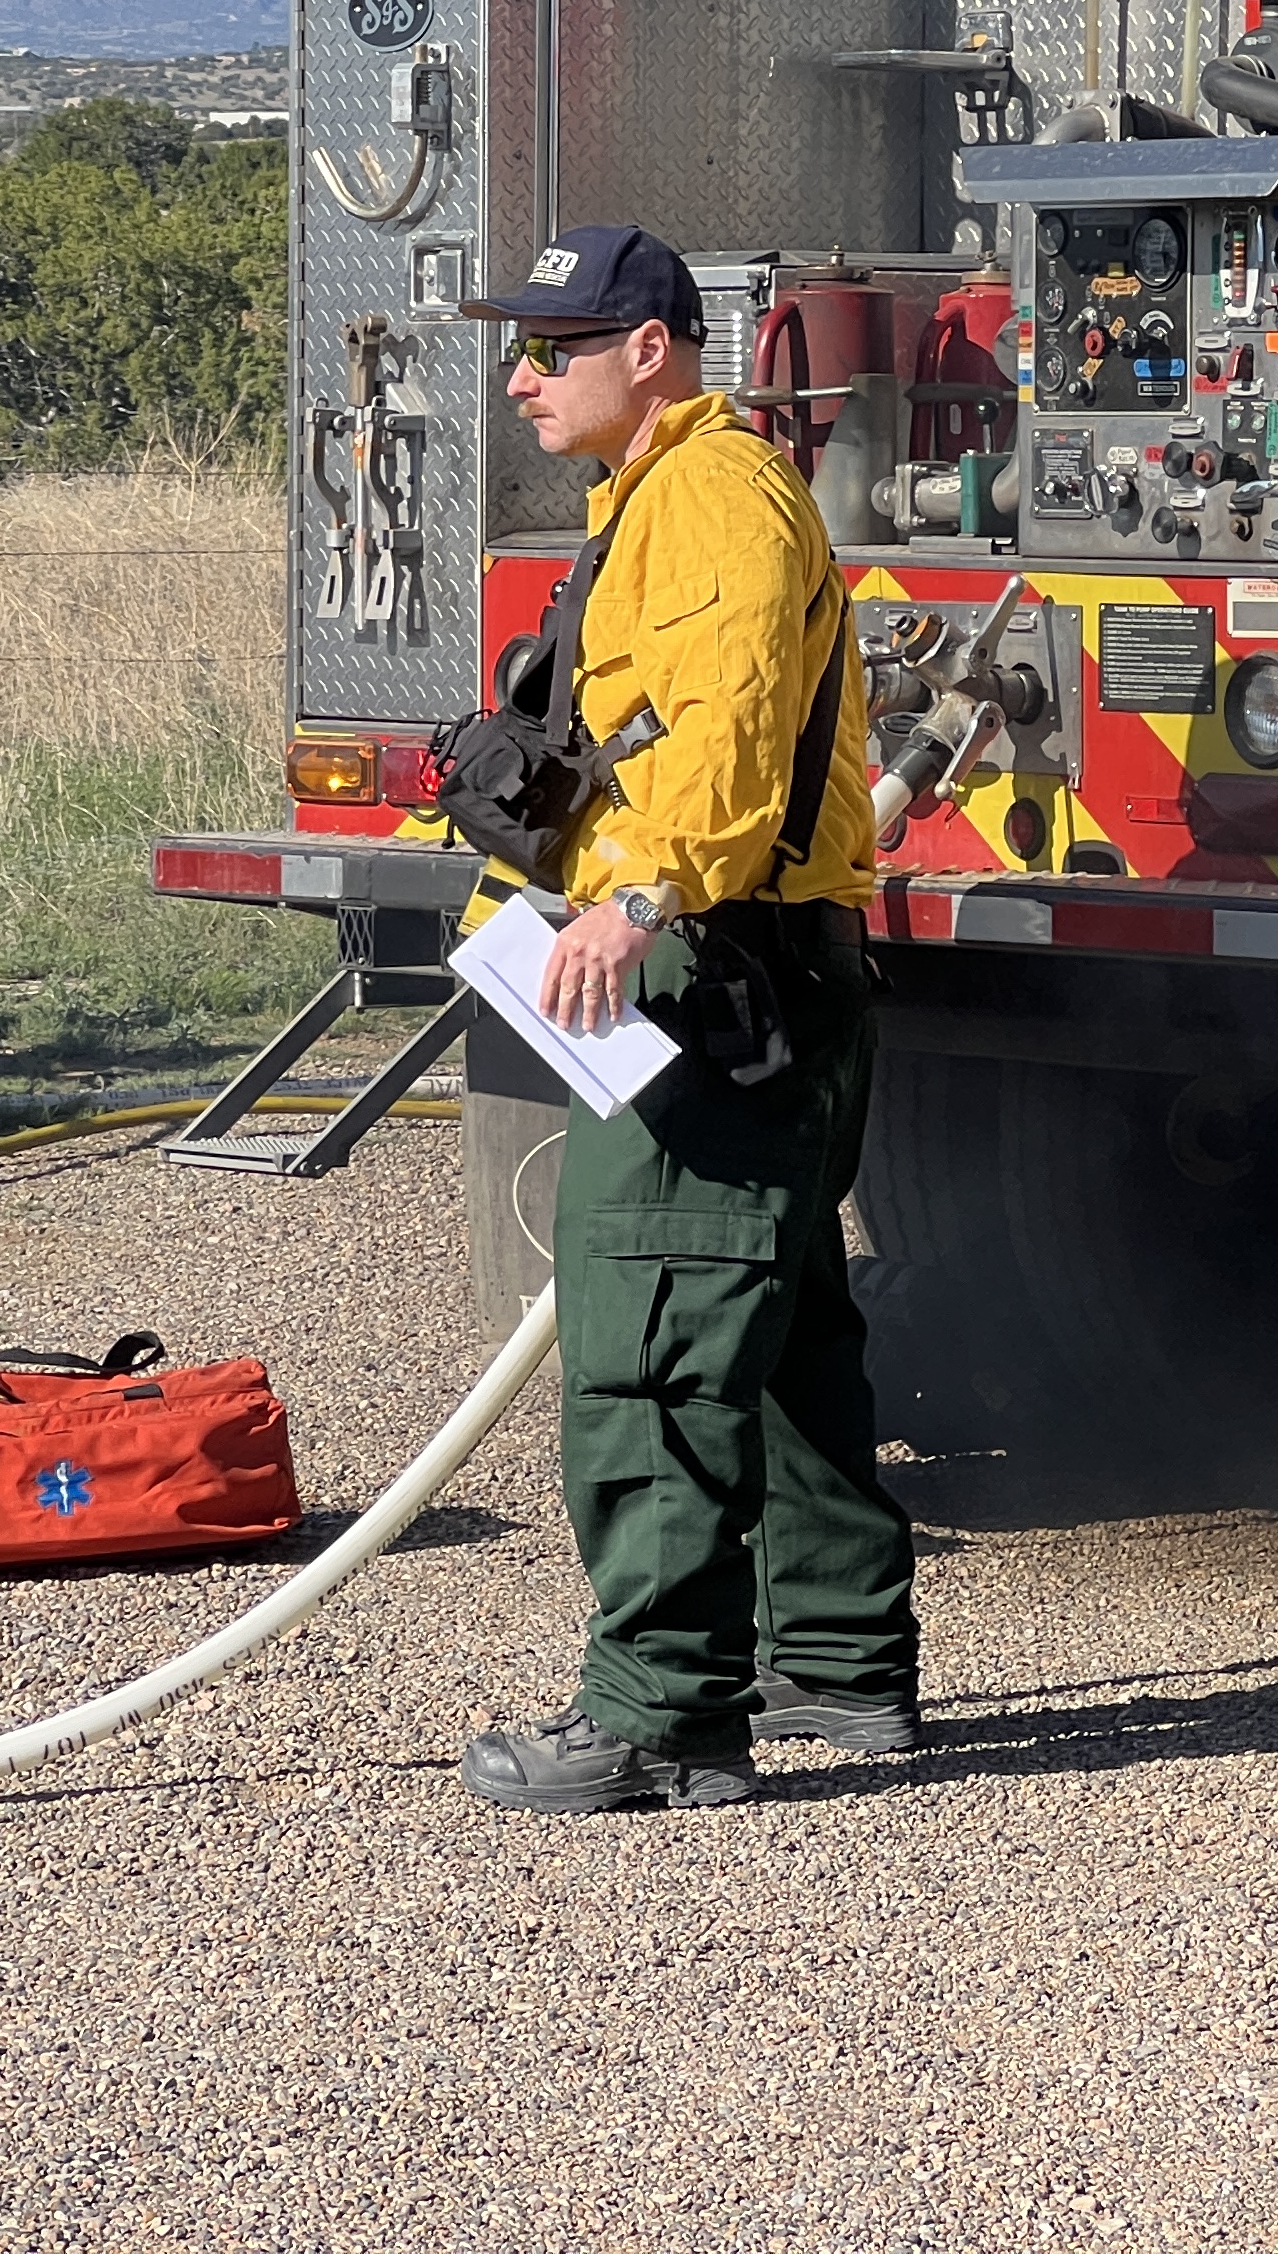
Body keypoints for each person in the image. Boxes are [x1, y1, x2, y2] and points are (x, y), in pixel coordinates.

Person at [452, 224, 919, 1814]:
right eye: (520, 346)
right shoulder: (668, 498)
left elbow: (720, 725)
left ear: (650, 349)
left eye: (553, 349)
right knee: (780, 1331)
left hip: (711, 969)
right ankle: (842, 1666)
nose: (521, 377)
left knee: (652, 1339)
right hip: (773, 966)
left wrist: (636, 897)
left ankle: (658, 1715)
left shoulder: (711, 498)